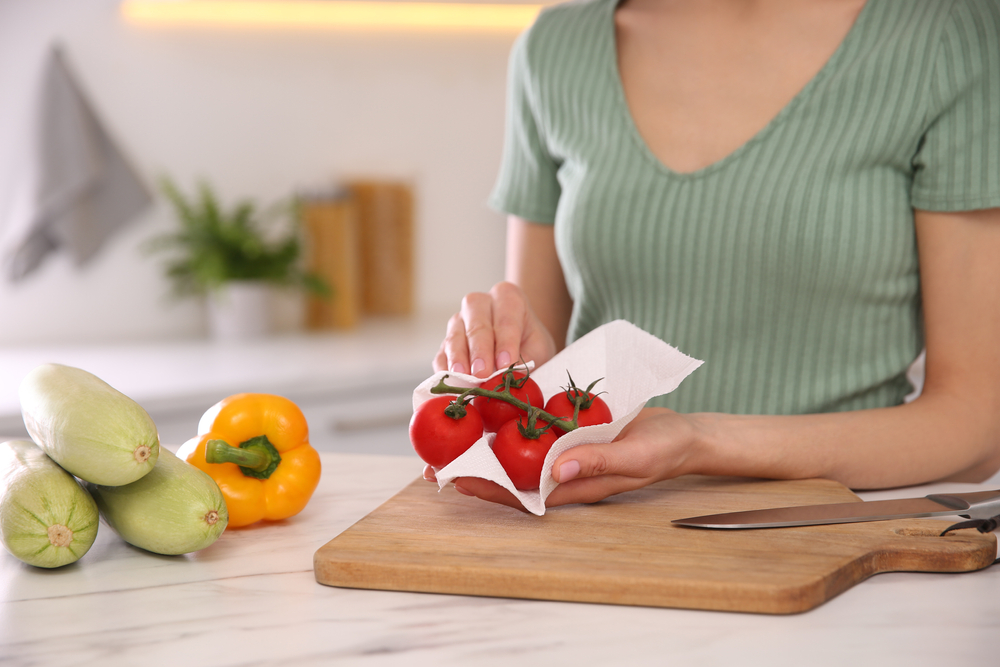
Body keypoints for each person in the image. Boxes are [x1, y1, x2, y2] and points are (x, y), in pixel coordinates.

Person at [429, 0, 1000, 510]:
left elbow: (977, 425)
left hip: (834, 535)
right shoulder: (556, 48)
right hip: (597, 538)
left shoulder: (948, 34)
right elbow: (535, 379)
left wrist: (699, 443)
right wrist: (506, 356)